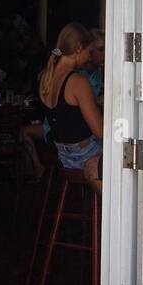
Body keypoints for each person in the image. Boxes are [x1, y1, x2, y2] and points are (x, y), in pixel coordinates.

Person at [38, 22, 103, 191]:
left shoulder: (46, 78)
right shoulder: (78, 82)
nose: (90, 57)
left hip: (64, 157)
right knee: (128, 161)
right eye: (89, 52)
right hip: (85, 155)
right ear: (78, 48)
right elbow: (101, 131)